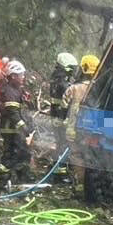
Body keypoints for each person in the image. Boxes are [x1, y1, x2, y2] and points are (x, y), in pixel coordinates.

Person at [0, 60, 34, 187]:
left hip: (15, 129)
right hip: (10, 129)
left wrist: (27, 100)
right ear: (13, 76)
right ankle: (3, 177)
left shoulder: (16, 90)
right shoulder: (9, 91)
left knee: (22, 152)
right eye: (20, 75)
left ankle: (22, 176)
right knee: (13, 153)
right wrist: (23, 127)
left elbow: (24, 107)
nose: (23, 77)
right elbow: (12, 113)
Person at [49, 52, 78, 181]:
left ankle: (57, 169)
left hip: (55, 117)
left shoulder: (54, 81)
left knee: (59, 143)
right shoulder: (64, 85)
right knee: (64, 145)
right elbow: (68, 102)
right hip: (62, 119)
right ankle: (60, 174)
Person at [62, 54, 100, 141]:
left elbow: (63, 107)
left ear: (84, 69)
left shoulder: (74, 88)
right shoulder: (100, 89)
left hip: (72, 131)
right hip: (92, 131)